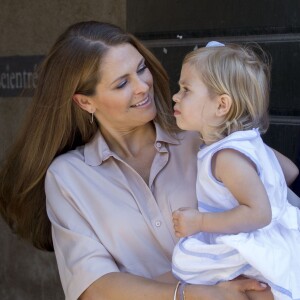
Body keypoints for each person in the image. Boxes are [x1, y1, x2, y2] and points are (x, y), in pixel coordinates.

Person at [0, 22, 292, 300]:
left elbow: (281, 184)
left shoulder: (201, 139)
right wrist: (195, 295)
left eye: (141, 69)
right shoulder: (68, 177)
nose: (143, 86)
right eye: (121, 83)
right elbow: (93, 288)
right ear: (85, 102)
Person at [171, 41, 300, 300]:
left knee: (190, 264)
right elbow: (290, 171)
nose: (176, 96)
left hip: (256, 241)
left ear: (221, 106)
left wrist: (200, 222)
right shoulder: (244, 144)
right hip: (276, 237)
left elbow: (260, 213)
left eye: (186, 89)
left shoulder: (227, 157)